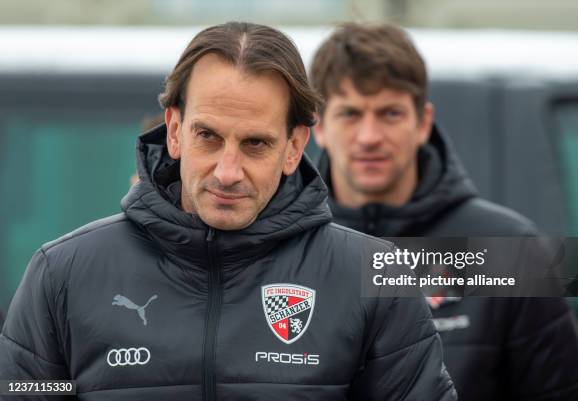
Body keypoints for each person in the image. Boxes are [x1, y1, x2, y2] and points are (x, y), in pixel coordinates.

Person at [0, 22, 456, 401]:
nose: (227, 171)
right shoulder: (62, 275)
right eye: (208, 137)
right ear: (175, 131)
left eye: (255, 143)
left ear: (294, 147)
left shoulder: (375, 282)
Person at [310, 22, 578, 401]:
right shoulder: (288, 248)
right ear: (318, 126)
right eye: (350, 114)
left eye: (390, 114)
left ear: (423, 122)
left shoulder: (508, 251)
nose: (369, 136)